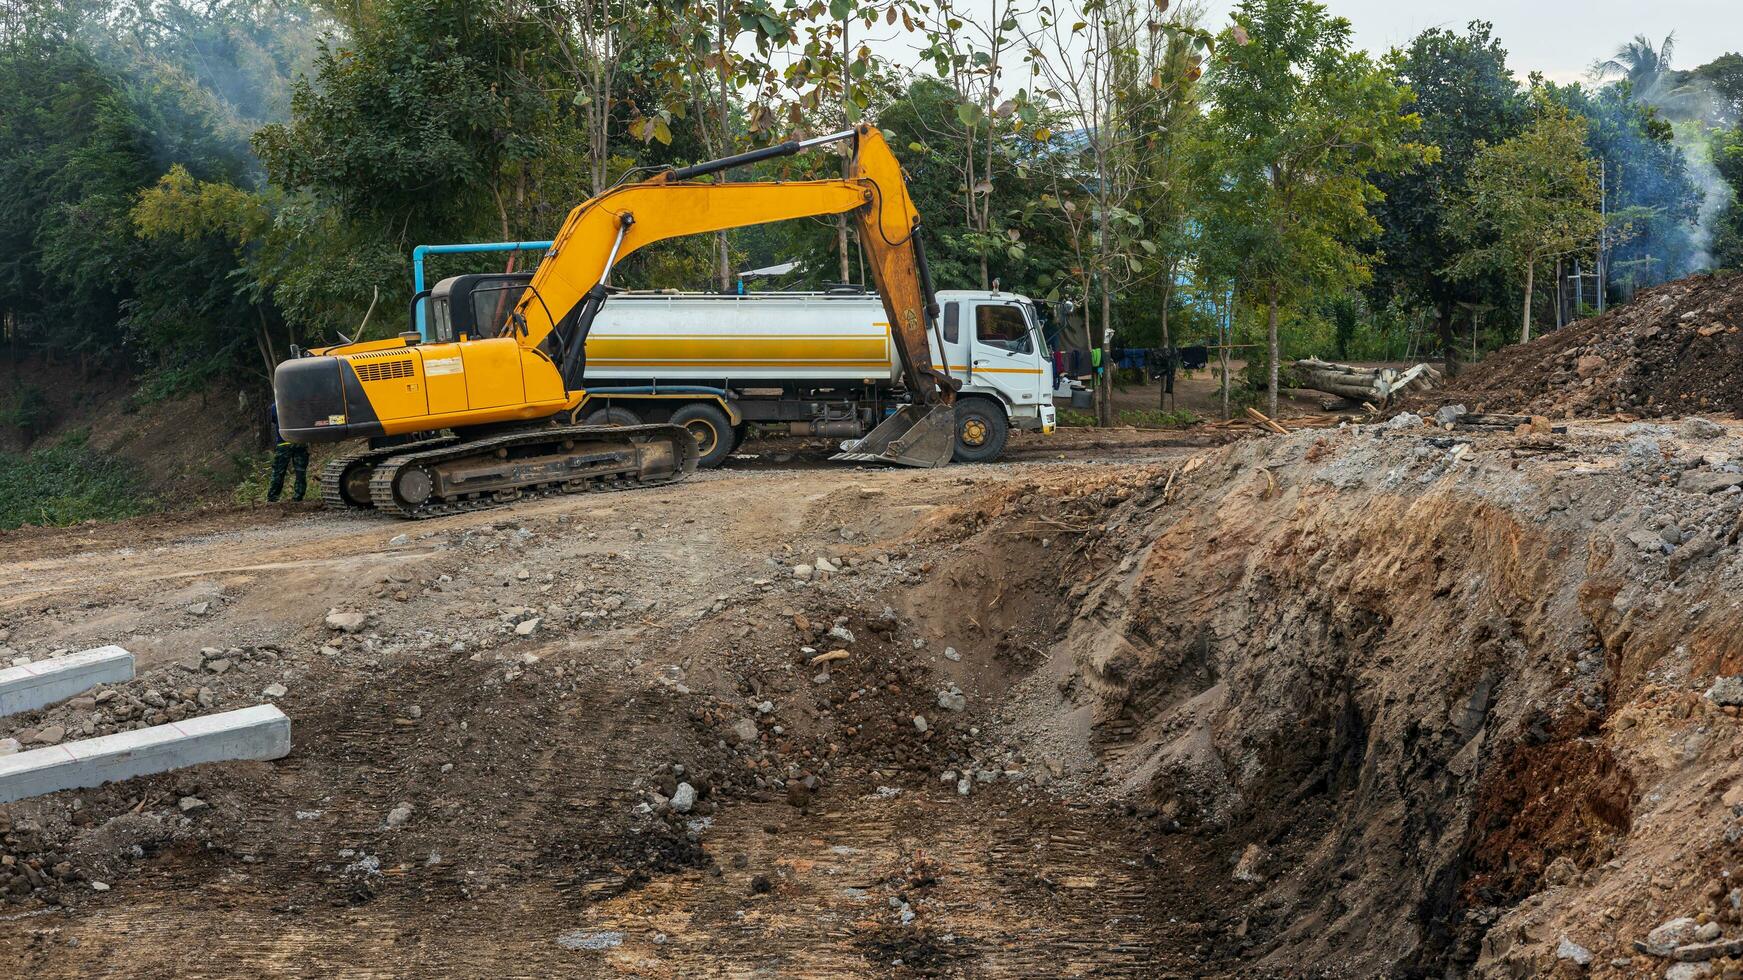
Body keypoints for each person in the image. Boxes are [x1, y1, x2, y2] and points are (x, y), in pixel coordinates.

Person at [266, 402, 309, 502]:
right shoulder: (300, 404)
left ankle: (272, 498)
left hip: (283, 442)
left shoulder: (275, 406)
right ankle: (298, 497)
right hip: (300, 441)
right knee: (300, 471)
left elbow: (274, 420)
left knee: (278, 472)